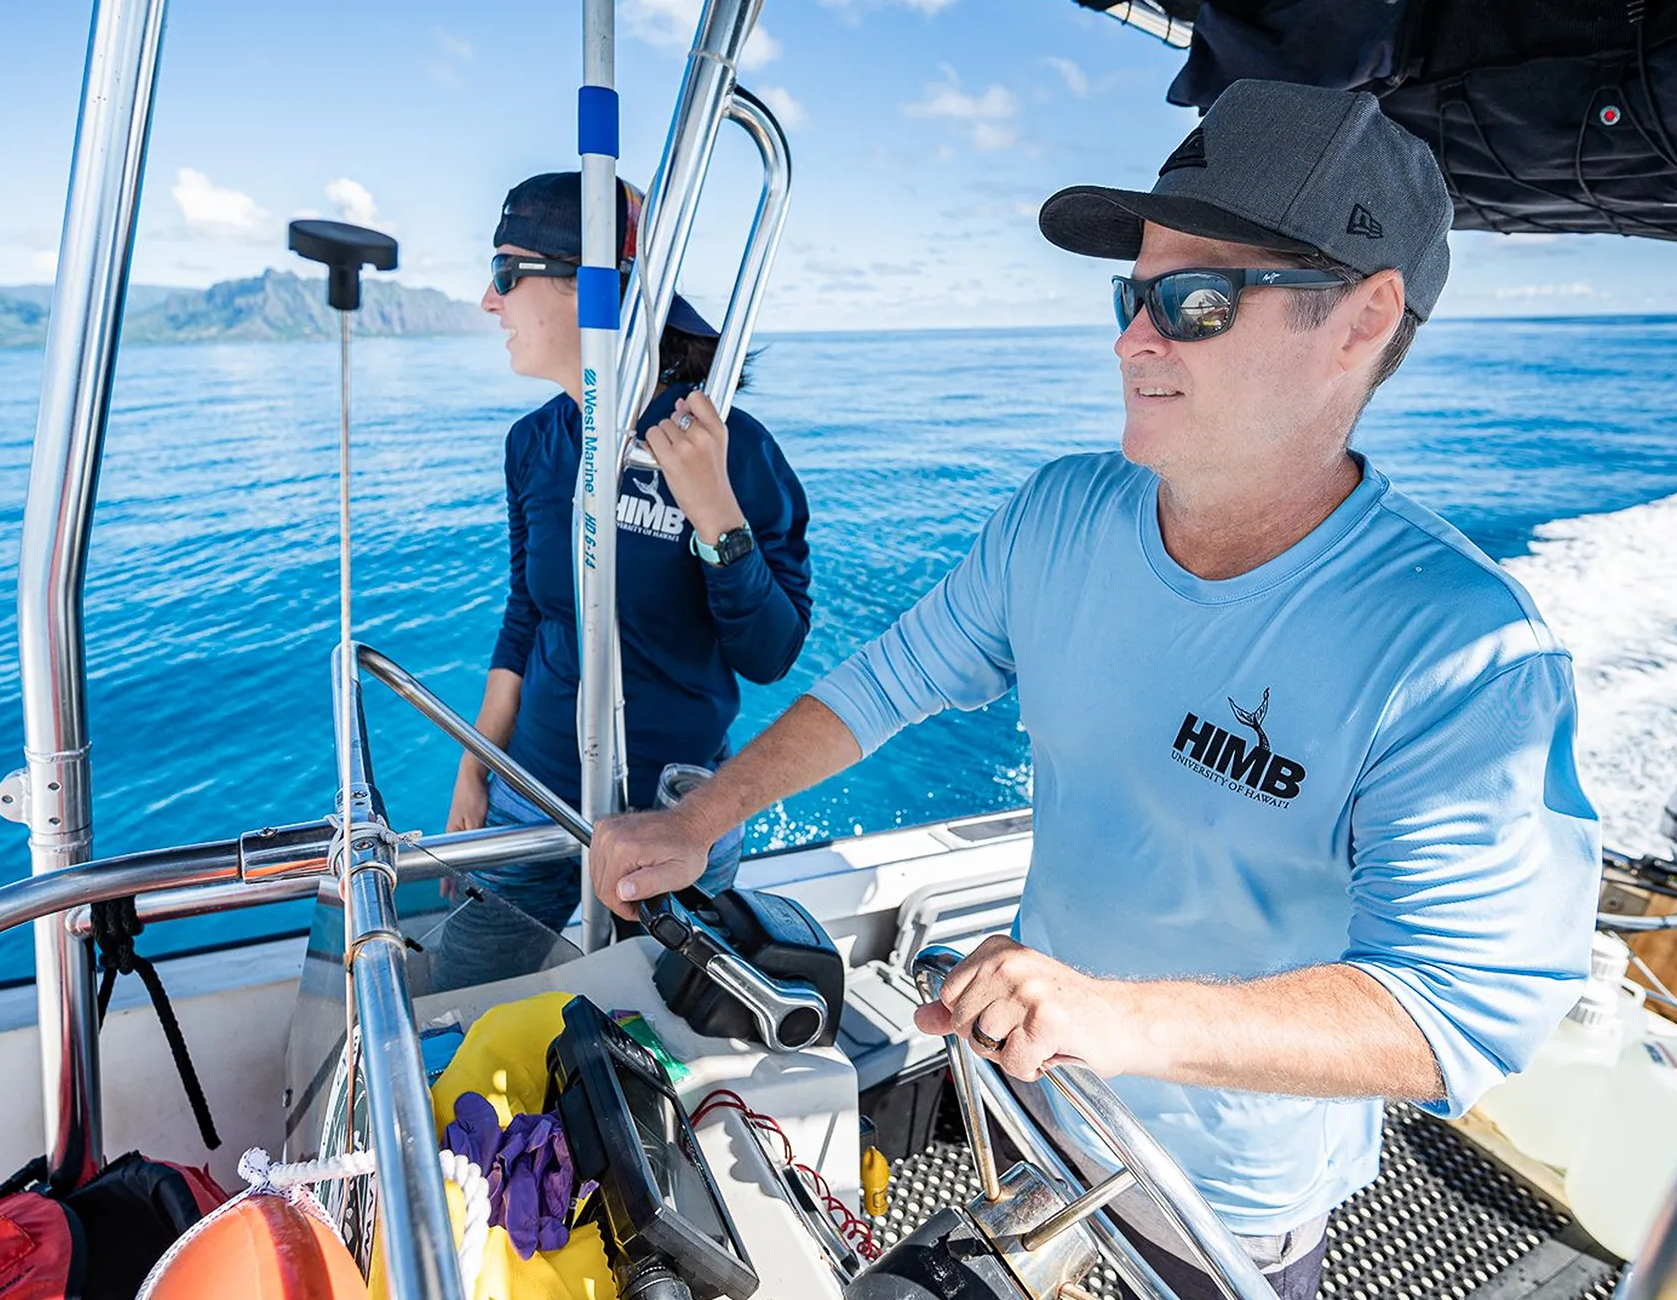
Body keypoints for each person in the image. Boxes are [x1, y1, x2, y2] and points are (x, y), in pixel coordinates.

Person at [589, 79, 1600, 1299]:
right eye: (1132, 297)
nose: (1133, 338)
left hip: (1215, 1205)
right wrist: (704, 818)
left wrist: (1119, 1017)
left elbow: (1457, 1009)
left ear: (1360, 320)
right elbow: (888, 681)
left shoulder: (1458, 651)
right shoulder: (1059, 514)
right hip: (1034, 1103)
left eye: (1195, 301)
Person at [434, 172, 811, 984]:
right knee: (457, 989)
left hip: (675, 817)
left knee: (650, 1020)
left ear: (587, 289)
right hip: (531, 794)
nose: (487, 300)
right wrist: (476, 766)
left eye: (505, 273)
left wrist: (716, 515)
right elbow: (526, 614)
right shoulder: (533, 444)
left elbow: (771, 653)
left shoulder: (729, 449)